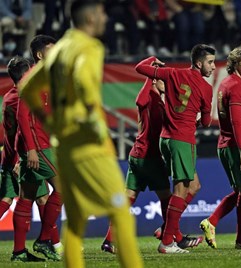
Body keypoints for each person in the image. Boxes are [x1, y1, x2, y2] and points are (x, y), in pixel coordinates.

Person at [18, 1, 144, 267]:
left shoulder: (60, 49)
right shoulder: (89, 47)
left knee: (74, 221)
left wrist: (49, 122)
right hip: (89, 145)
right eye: (101, 12)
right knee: (120, 211)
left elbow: (27, 88)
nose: (105, 17)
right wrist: (90, 116)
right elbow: (83, 80)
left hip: (63, 146)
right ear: (90, 17)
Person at [101, 75, 203, 254]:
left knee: (128, 199)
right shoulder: (150, 97)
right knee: (168, 199)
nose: (169, 83)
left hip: (138, 154)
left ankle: (109, 240)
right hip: (149, 156)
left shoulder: (162, 101)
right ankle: (173, 237)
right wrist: (151, 76)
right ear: (156, 81)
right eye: (164, 80)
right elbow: (139, 101)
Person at [135, 44, 216, 254]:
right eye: (210, 62)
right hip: (183, 139)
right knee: (182, 189)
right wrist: (198, 117)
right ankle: (168, 240)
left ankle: (168, 228)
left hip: (166, 139)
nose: (214, 67)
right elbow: (206, 122)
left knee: (194, 185)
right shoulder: (206, 88)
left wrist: (152, 57)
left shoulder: (171, 73)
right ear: (199, 63)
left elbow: (140, 68)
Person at [199, 46, 241, 250]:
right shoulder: (236, 86)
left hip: (227, 144)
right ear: (235, 62)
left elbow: (236, 123)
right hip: (235, 146)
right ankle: (221, 227)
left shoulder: (226, 84)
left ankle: (237, 237)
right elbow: (236, 122)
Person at [13, 38, 63, 262]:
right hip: (37, 145)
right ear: (40, 55)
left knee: (27, 197)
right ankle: (44, 239)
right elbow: (22, 116)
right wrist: (31, 150)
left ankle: (19, 252)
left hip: (42, 143)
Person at [1, 56, 49, 262]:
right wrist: (23, 156)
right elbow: (22, 129)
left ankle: (22, 250)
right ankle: (50, 243)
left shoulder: (9, 96)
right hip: (20, 157)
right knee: (43, 197)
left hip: (10, 156)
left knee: (8, 199)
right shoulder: (23, 96)